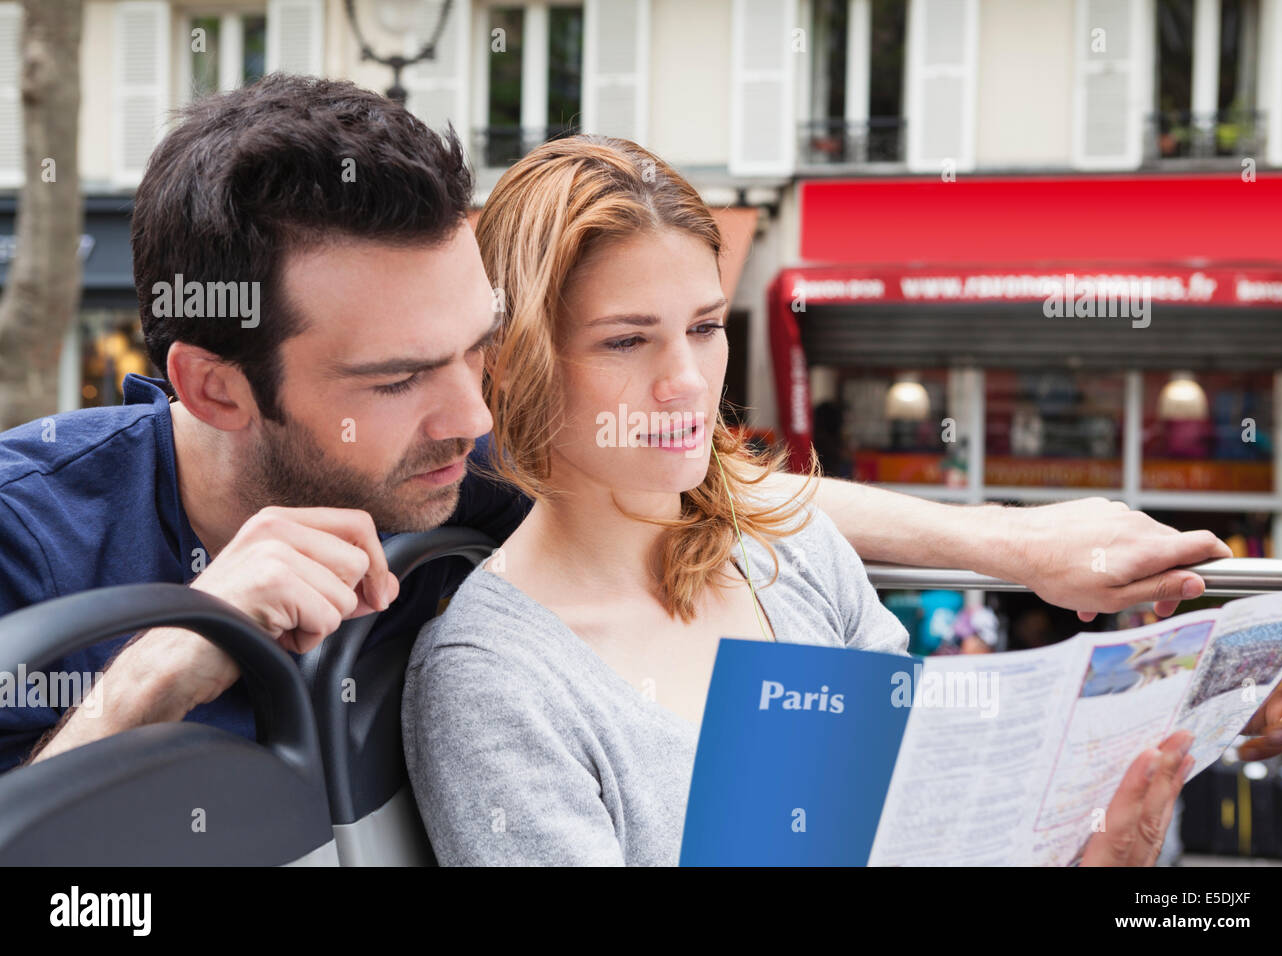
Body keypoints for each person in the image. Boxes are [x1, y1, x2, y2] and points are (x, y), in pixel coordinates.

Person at [0, 74, 1282, 780]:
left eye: (480, 348)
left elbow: (687, 469)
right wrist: (167, 665)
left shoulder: (448, 466)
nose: (473, 410)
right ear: (212, 385)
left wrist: (1021, 550)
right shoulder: (29, 535)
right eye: (397, 375)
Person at [400, 134, 1199, 866]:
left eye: (705, 327)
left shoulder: (796, 556)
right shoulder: (492, 679)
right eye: (625, 339)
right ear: (509, 365)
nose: (685, 382)